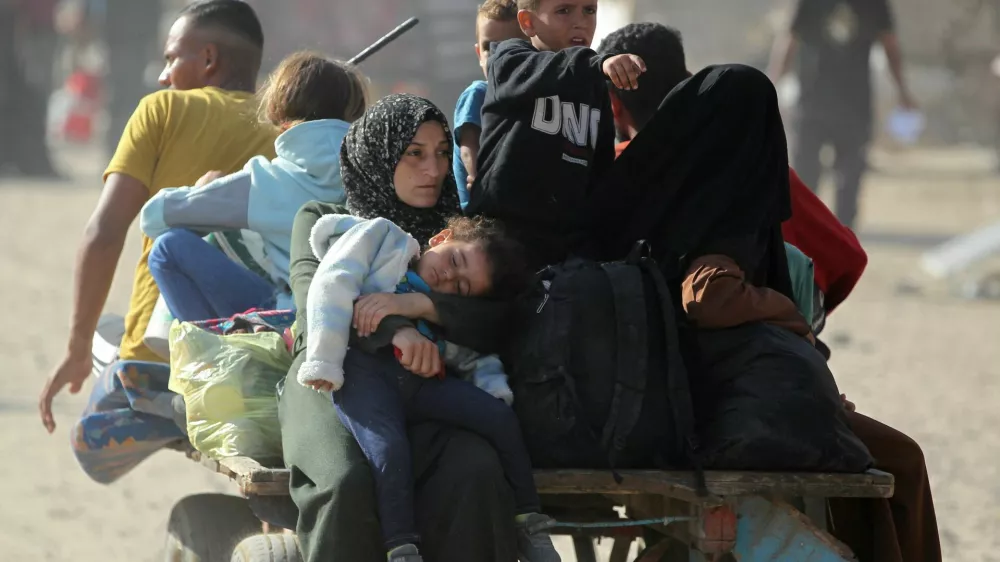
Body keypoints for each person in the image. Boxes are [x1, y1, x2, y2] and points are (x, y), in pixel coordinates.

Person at [598, 22, 940, 562]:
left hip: (641, 404)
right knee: (897, 461)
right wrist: (791, 326)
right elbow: (840, 261)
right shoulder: (744, 175)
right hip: (724, 409)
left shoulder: (609, 183)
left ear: (613, 108)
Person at [39, 0, 276, 480]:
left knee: (92, 440)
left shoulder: (161, 110)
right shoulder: (288, 129)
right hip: (261, 352)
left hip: (158, 356)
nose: (164, 75)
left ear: (208, 59)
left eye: (172, 58)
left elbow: (104, 234)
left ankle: (160, 408)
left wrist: (76, 346)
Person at [280, 94, 521, 562]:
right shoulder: (322, 221)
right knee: (345, 482)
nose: (433, 169)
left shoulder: (458, 233)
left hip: (427, 390)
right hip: (333, 384)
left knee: (475, 471)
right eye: (414, 153)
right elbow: (317, 302)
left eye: (441, 152)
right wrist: (397, 330)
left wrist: (421, 305)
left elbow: (498, 319)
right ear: (381, 151)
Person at [298, 214, 554, 562]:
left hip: (419, 384)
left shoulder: (441, 313)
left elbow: (474, 357)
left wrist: (490, 390)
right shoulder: (384, 242)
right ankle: (401, 548)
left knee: (498, 417)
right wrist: (324, 360)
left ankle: (529, 521)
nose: (449, 277)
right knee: (389, 450)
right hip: (363, 375)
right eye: (454, 260)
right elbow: (332, 284)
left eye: (461, 288)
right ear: (441, 237)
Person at [140, 51, 368, 322]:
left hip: (291, 319)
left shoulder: (264, 182)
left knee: (168, 247)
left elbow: (153, 217)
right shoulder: (377, 174)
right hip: (362, 315)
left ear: (281, 120)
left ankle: (211, 356)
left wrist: (204, 188)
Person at [466, 0, 647, 267]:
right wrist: (599, 63)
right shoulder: (509, 60)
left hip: (564, 250)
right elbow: (556, 67)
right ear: (527, 22)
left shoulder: (593, 85)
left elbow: (600, 172)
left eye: (589, 10)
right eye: (564, 10)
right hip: (502, 240)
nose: (580, 21)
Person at [768, 0, 915, 230]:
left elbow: (890, 46)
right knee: (805, 178)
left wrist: (903, 91)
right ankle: (802, 239)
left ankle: (841, 243)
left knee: (849, 180)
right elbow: (789, 41)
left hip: (853, 105)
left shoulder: (874, 4)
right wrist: (772, 84)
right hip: (811, 102)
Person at [452, 0, 527, 207]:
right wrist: (478, 177)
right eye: (489, 48)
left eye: (510, 46)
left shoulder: (526, 98)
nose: (498, 56)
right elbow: (468, 146)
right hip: (481, 206)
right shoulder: (479, 93)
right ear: (479, 54)